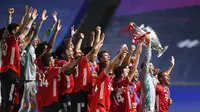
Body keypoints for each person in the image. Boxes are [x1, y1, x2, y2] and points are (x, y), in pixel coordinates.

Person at [0, 7, 37, 112]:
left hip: (4, 71)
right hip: (10, 71)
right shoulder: (12, 39)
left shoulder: (6, 40)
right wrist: (27, 19)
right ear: (13, 32)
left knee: (6, 99)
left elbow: (25, 35)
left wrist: (28, 19)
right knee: (9, 100)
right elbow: (21, 29)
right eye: (17, 31)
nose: (20, 33)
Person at [139, 35, 157, 112]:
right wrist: (148, 44)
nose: (153, 66)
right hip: (146, 109)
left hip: (152, 109)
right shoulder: (144, 75)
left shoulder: (152, 78)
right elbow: (147, 59)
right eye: (150, 65)